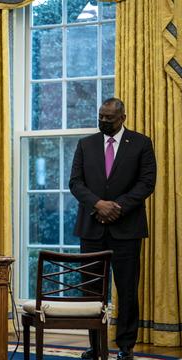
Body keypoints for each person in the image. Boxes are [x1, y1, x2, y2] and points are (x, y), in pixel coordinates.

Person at [69, 98, 156, 360]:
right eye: (101, 116)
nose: (104, 121)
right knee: (91, 291)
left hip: (127, 229)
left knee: (127, 289)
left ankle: (126, 347)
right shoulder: (86, 144)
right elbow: (75, 182)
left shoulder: (141, 143)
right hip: (91, 229)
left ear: (123, 117)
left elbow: (147, 182)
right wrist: (98, 204)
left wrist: (116, 206)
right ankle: (96, 346)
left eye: (109, 117)